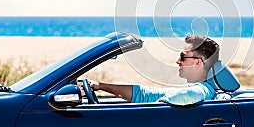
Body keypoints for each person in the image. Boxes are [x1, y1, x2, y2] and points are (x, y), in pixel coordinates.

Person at [87, 35, 219, 105]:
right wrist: (100, 86)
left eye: (182, 57)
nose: (178, 61)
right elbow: (144, 94)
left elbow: (189, 95)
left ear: (197, 62)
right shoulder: (198, 88)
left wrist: (159, 105)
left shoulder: (202, 90)